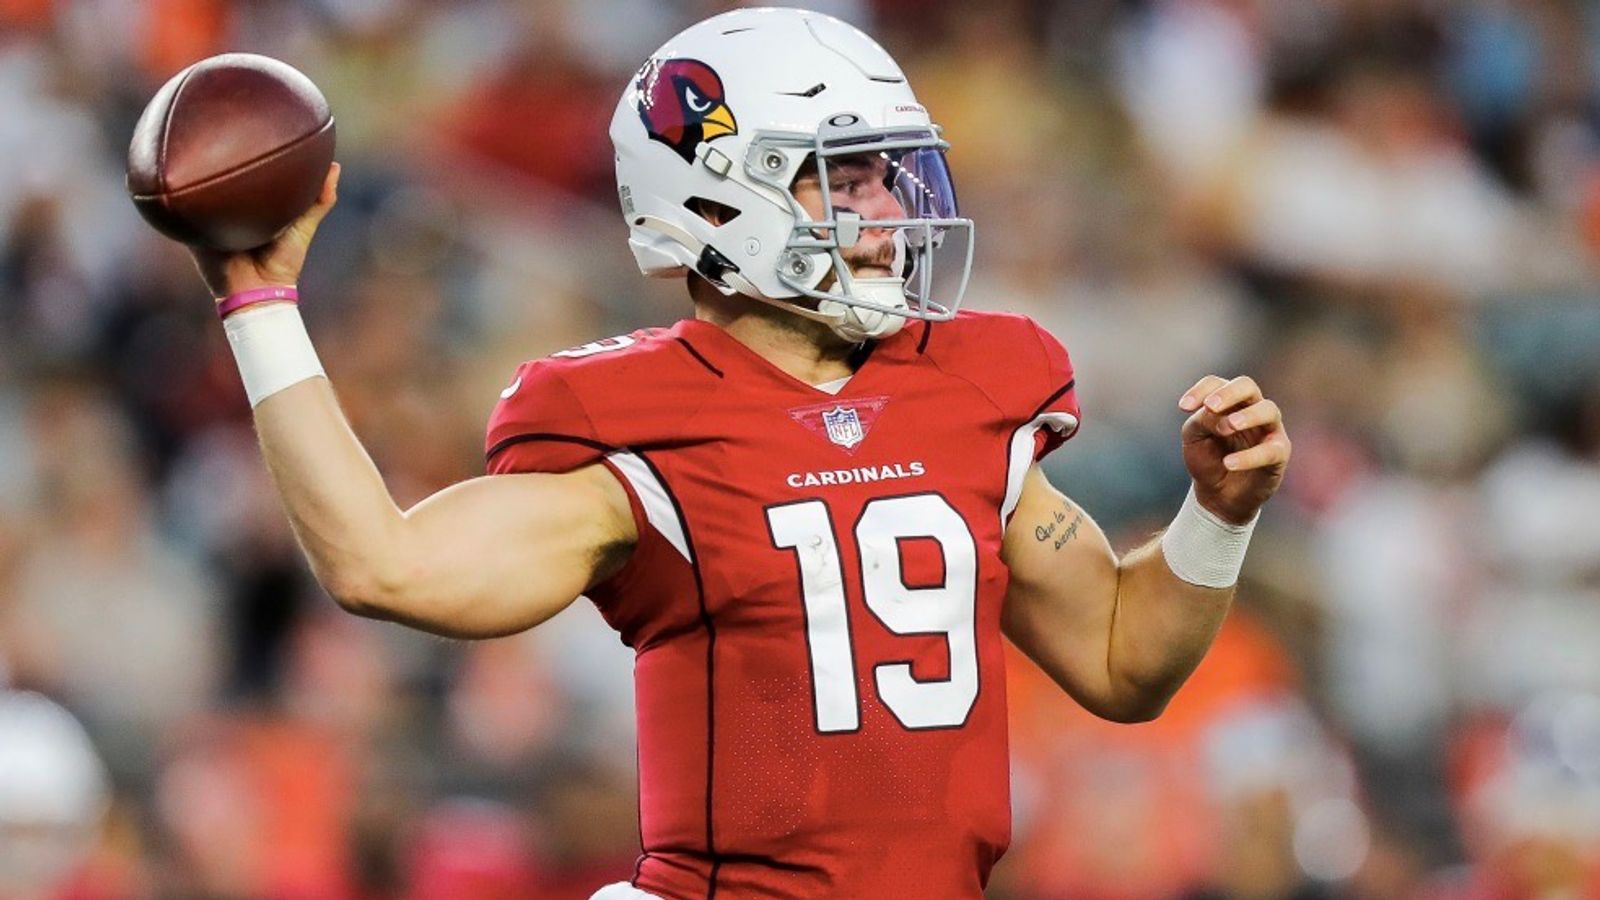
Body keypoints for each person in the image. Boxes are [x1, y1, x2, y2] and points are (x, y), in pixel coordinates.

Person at [182, 8, 1290, 898]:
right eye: (839, 176)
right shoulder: (638, 419)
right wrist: (260, 302)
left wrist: (1216, 515)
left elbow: (1120, 661)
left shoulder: (972, 386)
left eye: (886, 174)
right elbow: (386, 566)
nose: (884, 211)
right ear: (714, 189)